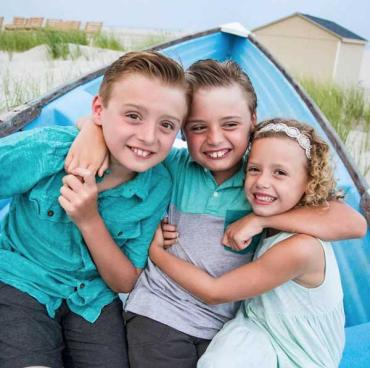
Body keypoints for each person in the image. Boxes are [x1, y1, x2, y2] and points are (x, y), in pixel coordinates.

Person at [66, 59, 366, 368]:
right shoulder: (173, 164)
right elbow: (119, 134)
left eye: (230, 124)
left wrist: (260, 219)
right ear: (183, 127)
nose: (215, 139)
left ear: (253, 120)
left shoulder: (262, 179)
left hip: (224, 325)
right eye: (198, 127)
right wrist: (91, 129)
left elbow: (354, 223)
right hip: (161, 313)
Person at [0, 51, 189, 368]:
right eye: (133, 116)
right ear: (99, 110)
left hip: (90, 298)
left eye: (167, 125)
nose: (148, 136)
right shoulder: (50, 149)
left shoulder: (158, 188)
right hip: (21, 279)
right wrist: (89, 130)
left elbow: (125, 282)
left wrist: (89, 220)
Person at [150, 118, 349, 368]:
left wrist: (155, 252)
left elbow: (215, 292)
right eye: (254, 169)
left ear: (309, 183)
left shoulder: (301, 247)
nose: (263, 182)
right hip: (257, 330)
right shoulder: (267, 215)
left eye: (280, 173)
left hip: (296, 355)